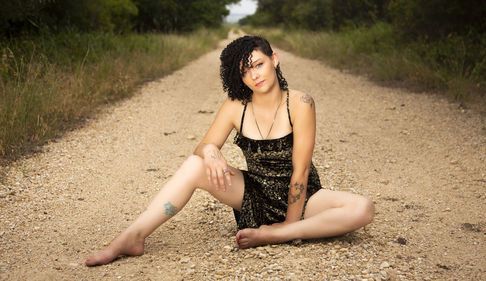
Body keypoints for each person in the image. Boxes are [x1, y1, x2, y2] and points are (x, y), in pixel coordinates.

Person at [85, 35, 374, 266]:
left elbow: (301, 170)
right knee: (193, 164)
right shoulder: (236, 106)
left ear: (274, 59)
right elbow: (203, 147)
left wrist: (285, 226)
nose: (254, 75)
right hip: (255, 195)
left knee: (362, 208)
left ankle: (282, 233)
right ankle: (132, 237)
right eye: (245, 71)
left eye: (258, 64)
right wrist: (210, 151)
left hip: (304, 199)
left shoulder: (300, 103)